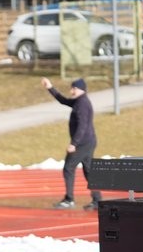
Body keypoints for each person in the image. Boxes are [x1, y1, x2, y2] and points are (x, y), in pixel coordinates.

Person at [41, 77, 102, 210]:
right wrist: (50, 87)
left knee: (68, 168)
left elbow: (82, 126)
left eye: (74, 88)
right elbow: (63, 101)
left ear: (81, 89)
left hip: (83, 143)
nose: (71, 90)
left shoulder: (82, 104)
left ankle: (69, 199)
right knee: (89, 171)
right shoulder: (79, 101)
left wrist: (74, 143)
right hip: (88, 141)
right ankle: (97, 200)